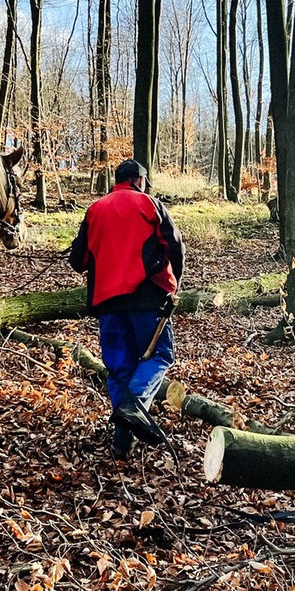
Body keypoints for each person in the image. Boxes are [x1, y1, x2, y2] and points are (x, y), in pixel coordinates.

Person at [69, 159, 185, 459]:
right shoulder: (150, 204)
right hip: (147, 295)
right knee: (160, 354)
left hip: (107, 302)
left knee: (119, 368)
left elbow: (77, 260)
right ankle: (133, 406)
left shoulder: (95, 210)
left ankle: (123, 442)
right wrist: (175, 284)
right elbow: (175, 245)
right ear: (139, 181)